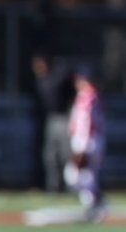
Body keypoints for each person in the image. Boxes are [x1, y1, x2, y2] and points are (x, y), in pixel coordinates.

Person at [64, 68, 107, 222]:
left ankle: (95, 202)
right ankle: (94, 203)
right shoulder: (87, 96)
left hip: (86, 141)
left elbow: (87, 121)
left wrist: (84, 145)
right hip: (88, 140)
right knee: (86, 176)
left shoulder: (89, 97)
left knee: (75, 175)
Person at [33, 54, 77, 196]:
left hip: (64, 118)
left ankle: (70, 186)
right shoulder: (42, 80)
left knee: (66, 154)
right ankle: (53, 187)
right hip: (51, 119)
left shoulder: (58, 76)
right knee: (51, 156)